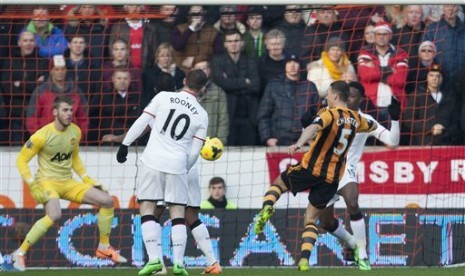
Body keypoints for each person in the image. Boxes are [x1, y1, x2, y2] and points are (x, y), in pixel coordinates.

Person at [253, 81, 377, 271]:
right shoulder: (356, 119)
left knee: (278, 184)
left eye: (328, 94)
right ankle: (304, 260)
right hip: (332, 179)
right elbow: (372, 125)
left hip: (311, 168)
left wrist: (299, 143)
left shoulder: (328, 113)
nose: (326, 97)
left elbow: (313, 128)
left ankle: (267, 208)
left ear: (335, 96)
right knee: (311, 219)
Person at [12, 95, 127, 272]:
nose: (69, 114)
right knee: (55, 214)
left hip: (68, 182)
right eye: (65, 110)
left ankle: (104, 248)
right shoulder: (42, 135)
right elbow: (21, 160)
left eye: (71, 110)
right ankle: (19, 253)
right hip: (47, 182)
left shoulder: (76, 131)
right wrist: (32, 185)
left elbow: (74, 159)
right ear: (55, 112)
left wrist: (88, 180)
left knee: (107, 201)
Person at [116, 69, 209, 275]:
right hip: (178, 165)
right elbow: (194, 152)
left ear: (184, 81)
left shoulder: (163, 97)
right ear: (202, 88)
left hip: (153, 161)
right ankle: (178, 263)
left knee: (148, 208)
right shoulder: (202, 115)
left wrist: (125, 144)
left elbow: (142, 122)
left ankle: (155, 260)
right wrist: (182, 169)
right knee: (178, 213)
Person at [301, 81, 400, 270]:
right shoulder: (328, 115)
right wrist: (306, 125)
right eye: (345, 96)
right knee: (326, 221)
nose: (347, 100)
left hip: (347, 169)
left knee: (352, 200)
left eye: (352, 96)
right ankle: (353, 243)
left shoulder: (365, 120)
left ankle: (362, 255)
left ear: (360, 99)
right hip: (323, 172)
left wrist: (395, 119)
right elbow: (311, 141)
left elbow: (392, 142)